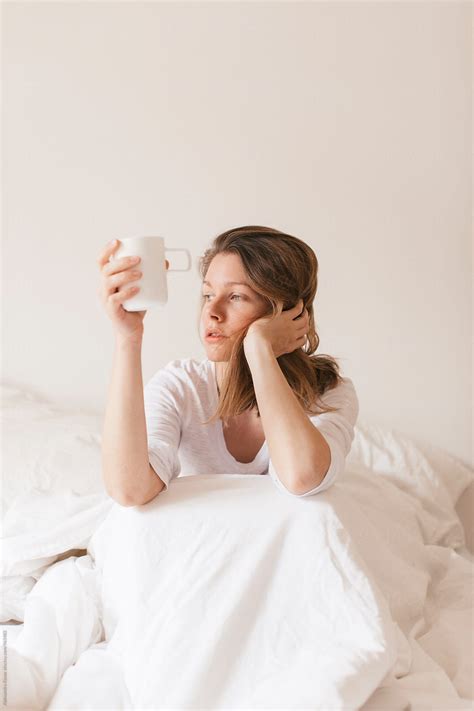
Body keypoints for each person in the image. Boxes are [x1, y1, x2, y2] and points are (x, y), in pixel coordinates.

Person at [97, 225, 359, 507]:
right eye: (208, 295)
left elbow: (301, 477)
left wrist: (259, 348)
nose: (212, 312)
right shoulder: (182, 386)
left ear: (286, 312)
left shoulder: (329, 394)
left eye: (236, 297)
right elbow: (129, 490)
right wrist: (128, 337)